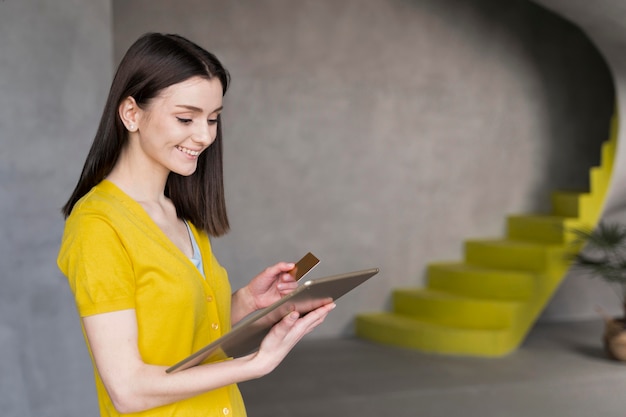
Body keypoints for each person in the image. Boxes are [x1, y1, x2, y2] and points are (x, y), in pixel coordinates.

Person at [57, 32, 335, 417]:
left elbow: (184, 329)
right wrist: (255, 364)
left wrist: (249, 304)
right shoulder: (97, 226)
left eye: (213, 119)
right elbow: (128, 390)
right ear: (131, 114)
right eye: (186, 118)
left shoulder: (180, 214)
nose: (204, 136)